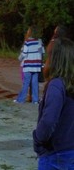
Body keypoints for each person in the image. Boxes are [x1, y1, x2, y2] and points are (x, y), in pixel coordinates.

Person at [33, 37, 74, 169]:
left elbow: (48, 120)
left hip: (55, 155)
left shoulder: (56, 85)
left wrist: (38, 139)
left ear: (55, 59)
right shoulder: (69, 84)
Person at [14, 26, 44, 104]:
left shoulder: (28, 42)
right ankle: (35, 100)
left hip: (28, 66)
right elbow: (41, 53)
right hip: (36, 66)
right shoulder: (39, 41)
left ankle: (21, 100)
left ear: (30, 32)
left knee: (26, 83)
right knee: (35, 83)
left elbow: (24, 53)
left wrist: (19, 58)